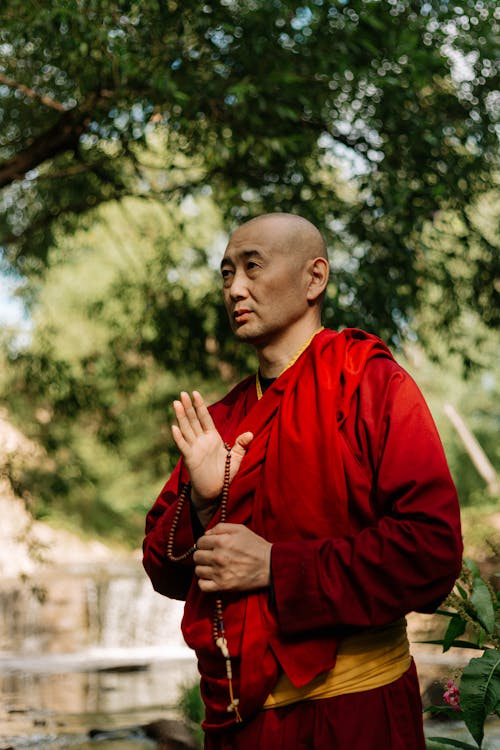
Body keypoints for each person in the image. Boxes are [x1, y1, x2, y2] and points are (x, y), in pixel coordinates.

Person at [143, 213, 462, 749]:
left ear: (314, 278)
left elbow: (431, 552)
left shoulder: (370, 384)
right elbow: (164, 570)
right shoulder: (221, 420)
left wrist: (277, 567)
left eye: (252, 267)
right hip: (244, 724)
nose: (234, 288)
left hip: (358, 713)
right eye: (226, 274)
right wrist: (203, 503)